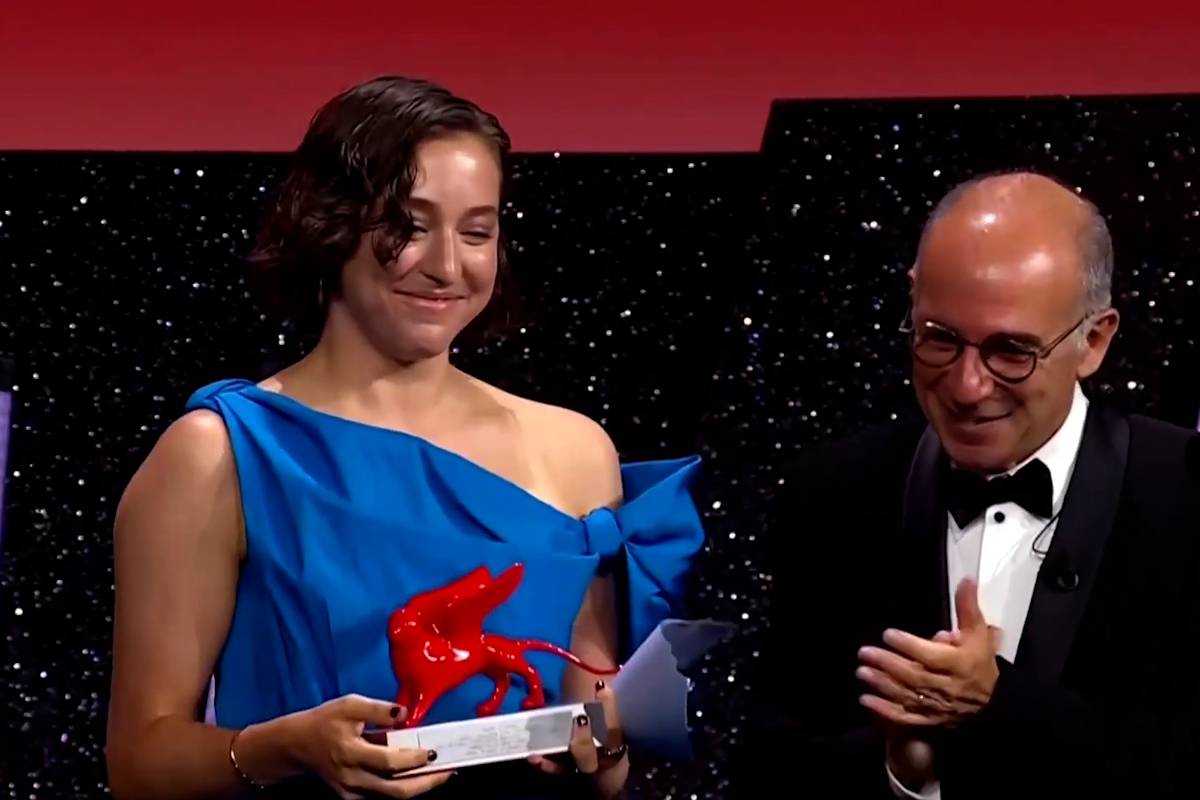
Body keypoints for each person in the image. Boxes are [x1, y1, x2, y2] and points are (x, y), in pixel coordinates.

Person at [104, 76, 706, 800]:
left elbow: (601, 749)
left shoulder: (576, 451)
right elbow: (139, 764)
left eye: (477, 232)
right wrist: (278, 749)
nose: (447, 266)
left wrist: (602, 745)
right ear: (328, 226)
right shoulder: (222, 454)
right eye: (411, 226)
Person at [741, 171, 1200, 798]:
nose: (966, 387)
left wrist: (997, 705)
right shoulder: (832, 493)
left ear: (1093, 341)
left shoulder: (1185, 493)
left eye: (1011, 351)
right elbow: (773, 764)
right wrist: (903, 771)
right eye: (940, 338)